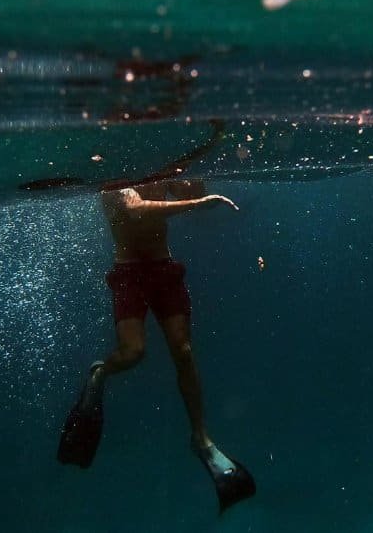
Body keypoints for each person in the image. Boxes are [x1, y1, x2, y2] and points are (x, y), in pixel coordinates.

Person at [57, 177, 256, 513]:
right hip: (129, 273)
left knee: (184, 351)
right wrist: (198, 202)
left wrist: (192, 177)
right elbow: (135, 209)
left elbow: (187, 190)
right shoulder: (113, 179)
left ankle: (201, 438)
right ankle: (101, 371)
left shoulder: (157, 169)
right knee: (133, 352)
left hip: (163, 268)